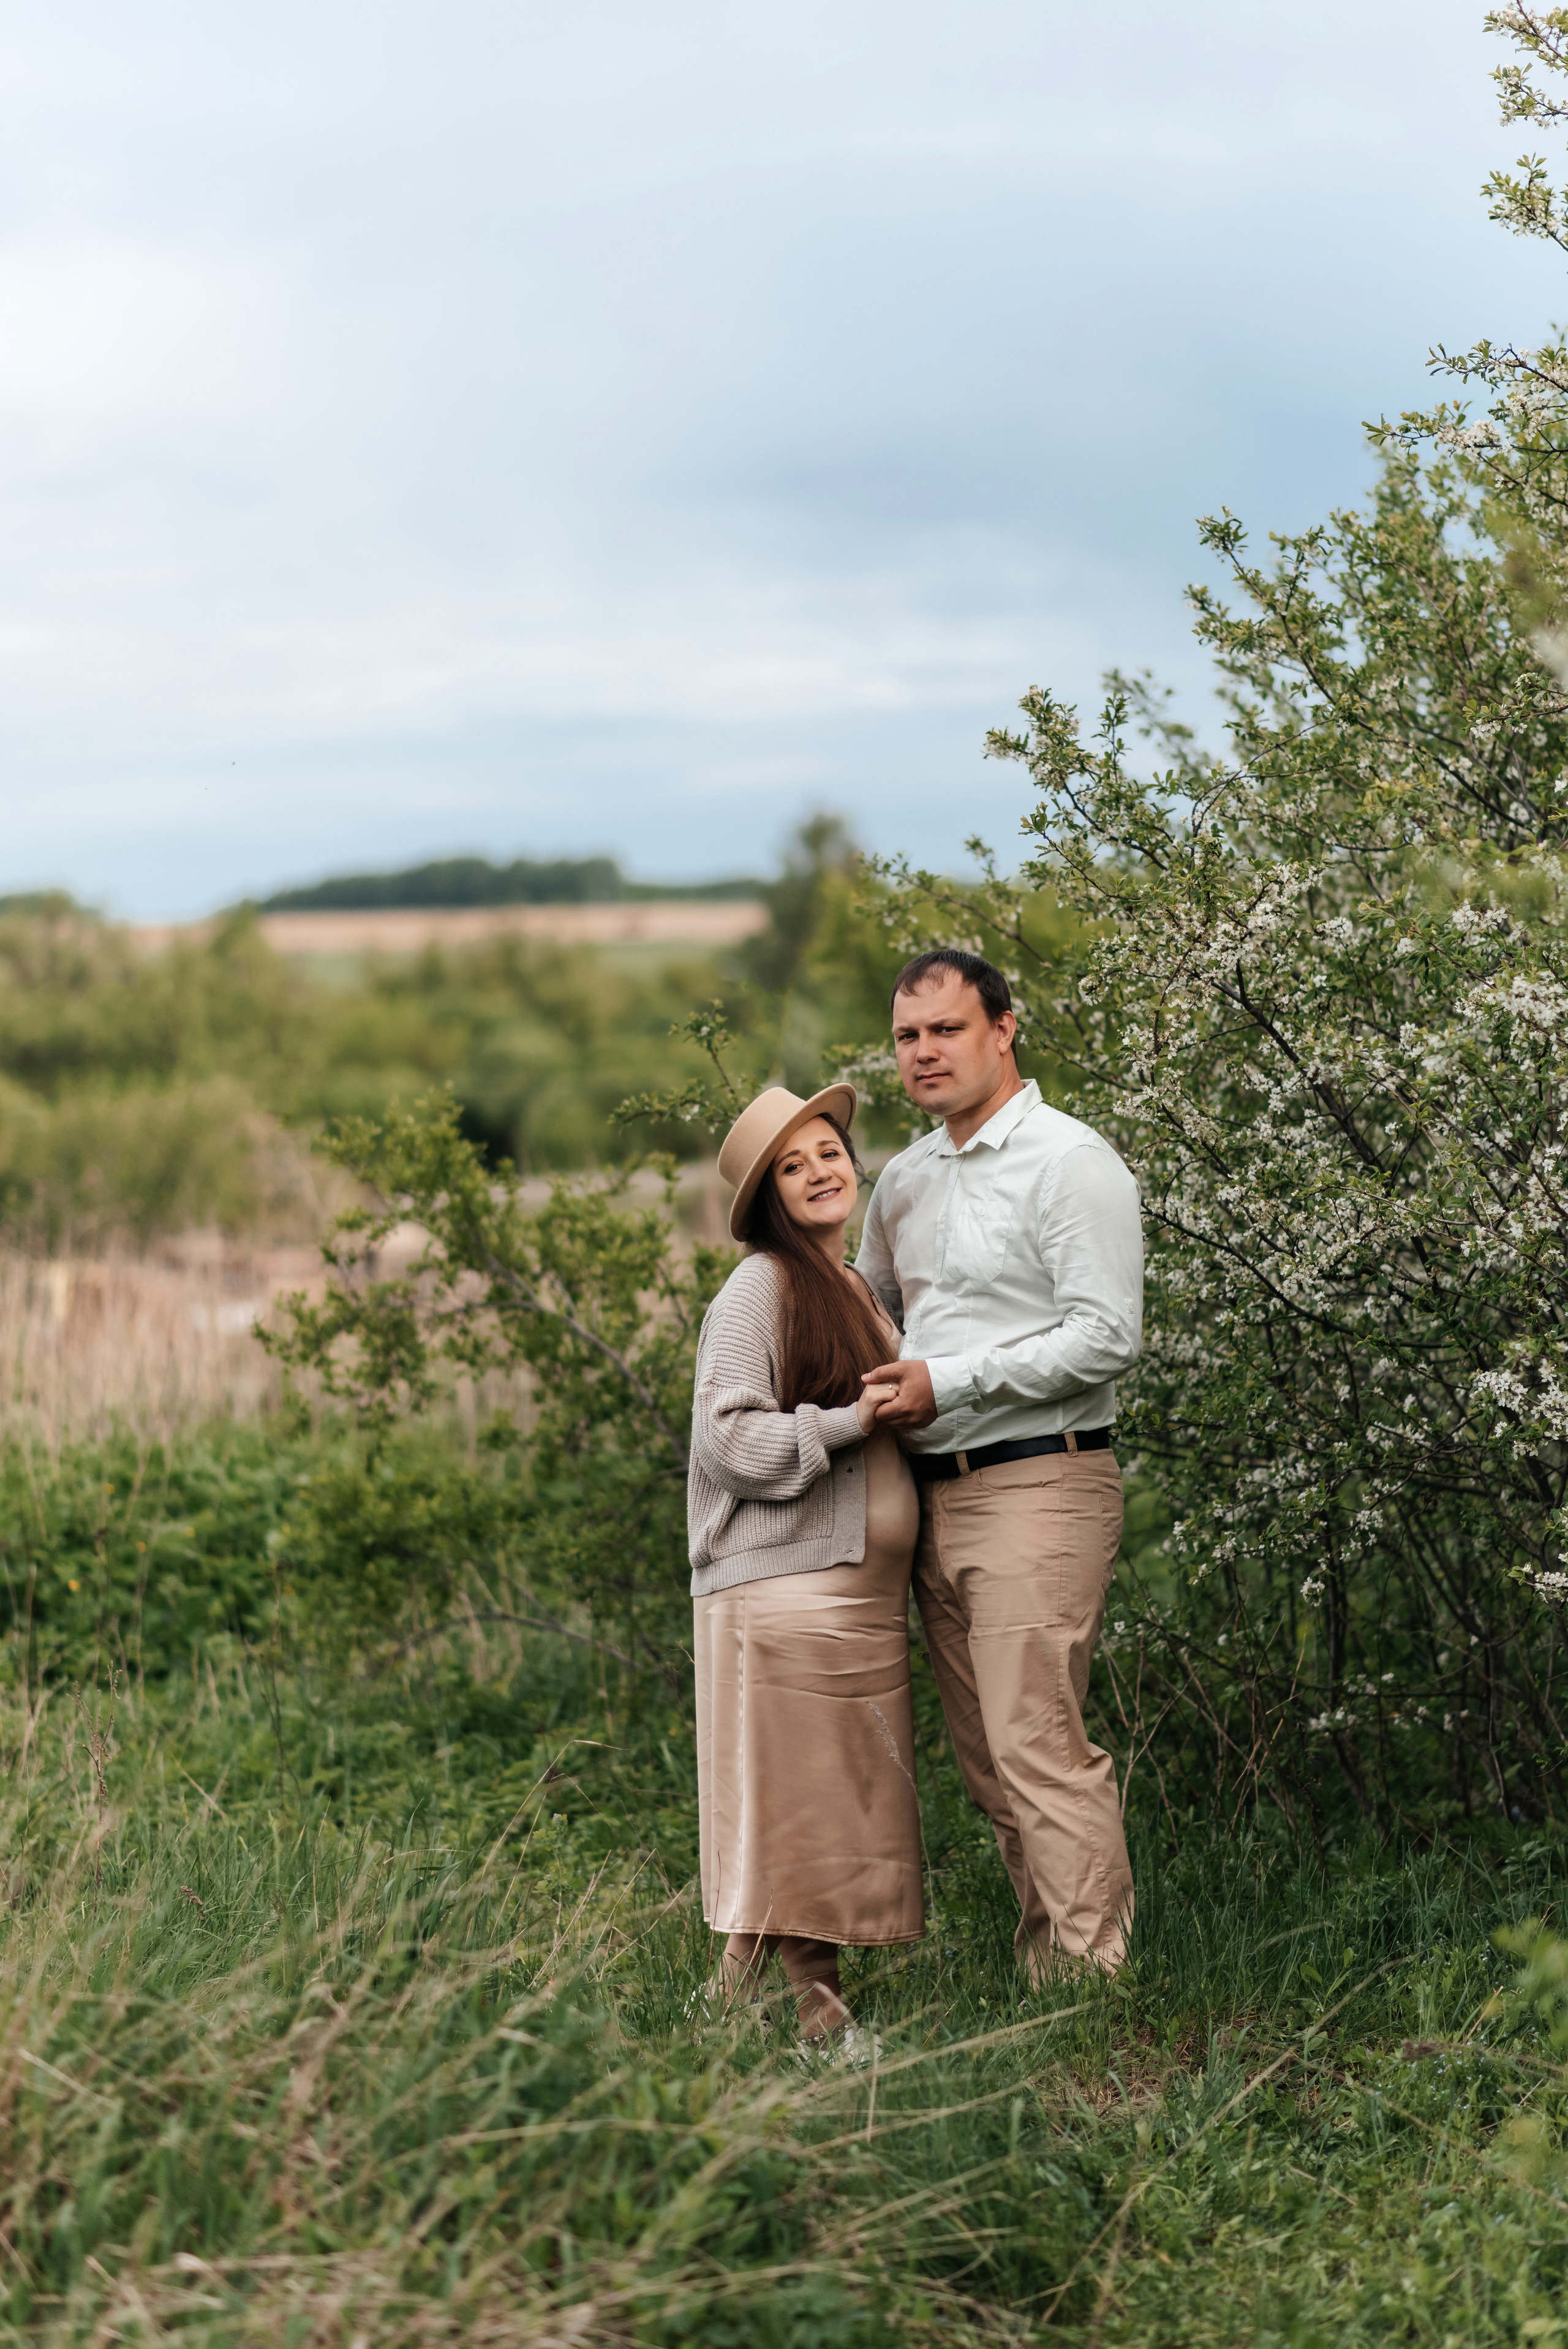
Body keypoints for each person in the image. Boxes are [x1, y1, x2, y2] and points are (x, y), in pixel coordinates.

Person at [855, 948, 1143, 1975]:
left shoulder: (1070, 1161)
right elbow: (875, 1310)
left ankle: (1096, 1978)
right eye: (907, 1035)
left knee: (1038, 1744)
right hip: (930, 1497)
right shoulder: (903, 1179)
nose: (925, 1052)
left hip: (1042, 1479)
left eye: (947, 1029)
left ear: (1004, 1028)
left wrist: (954, 1380)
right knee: (987, 1761)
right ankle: (1047, 1966)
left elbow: (1107, 1334)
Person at [688, 1081, 925, 2043]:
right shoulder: (763, 1287)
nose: (820, 1170)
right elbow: (727, 1438)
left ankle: (729, 1999)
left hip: (849, 1591)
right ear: (770, 1200)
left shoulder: (856, 1288)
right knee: (806, 1805)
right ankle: (822, 2023)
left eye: (827, 1150)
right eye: (793, 1166)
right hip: (786, 1587)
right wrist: (849, 1421)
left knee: (793, 1795)